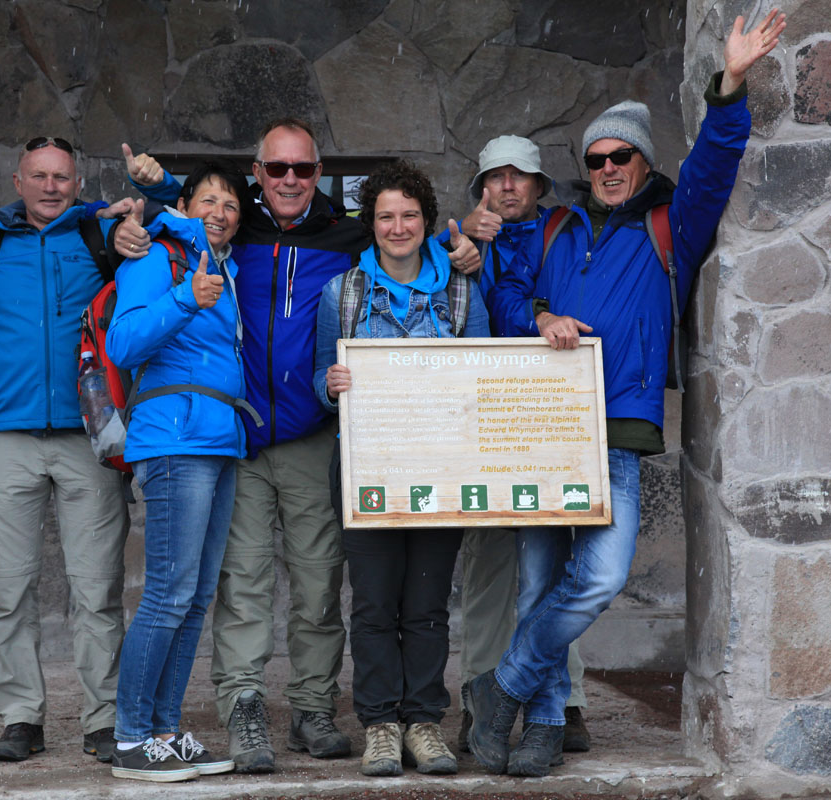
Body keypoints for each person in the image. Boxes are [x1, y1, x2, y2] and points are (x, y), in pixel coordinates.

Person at [467, 7, 787, 778]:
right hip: (544, 428)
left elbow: (715, 161)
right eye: (598, 158)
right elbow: (505, 296)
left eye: (622, 157)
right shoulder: (553, 230)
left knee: (601, 576)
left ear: (643, 164)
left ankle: (500, 686)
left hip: (615, 429)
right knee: (542, 580)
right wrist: (537, 314)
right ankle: (541, 723)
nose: (608, 166)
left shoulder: (671, 224)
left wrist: (731, 85)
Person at [120, 123, 481, 773]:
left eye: (303, 168)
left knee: (320, 585)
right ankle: (245, 706)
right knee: (242, 587)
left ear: (318, 173)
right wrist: (131, 207)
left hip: (316, 436)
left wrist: (468, 251)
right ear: (257, 172)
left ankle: (313, 707)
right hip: (239, 443)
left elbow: (414, 253)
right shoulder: (231, 233)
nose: (290, 179)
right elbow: (183, 214)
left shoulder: (348, 236)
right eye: (276, 168)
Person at [0, 136, 133, 764]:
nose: (51, 187)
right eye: (39, 176)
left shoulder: (98, 239)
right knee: (10, 589)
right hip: (9, 436)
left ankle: (102, 719)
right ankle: (19, 717)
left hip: (90, 437)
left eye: (62, 177)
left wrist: (125, 211)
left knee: (97, 589)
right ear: (19, 181)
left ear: (77, 184)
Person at [313, 159, 491, 777]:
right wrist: (329, 383)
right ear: (371, 224)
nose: (397, 226)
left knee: (427, 604)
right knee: (372, 603)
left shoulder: (463, 290)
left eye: (408, 215)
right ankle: (381, 725)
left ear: (427, 220)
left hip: (441, 465)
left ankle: (423, 722)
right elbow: (318, 375)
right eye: (385, 215)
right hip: (367, 466)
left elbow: (482, 378)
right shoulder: (344, 292)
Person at [106, 161, 253, 782]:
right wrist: (184, 298)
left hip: (218, 440)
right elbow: (124, 343)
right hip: (175, 440)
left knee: (193, 599)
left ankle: (164, 732)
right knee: (168, 594)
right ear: (186, 205)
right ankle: (132, 737)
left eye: (230, 205)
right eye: (208, 201)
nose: (220, 212)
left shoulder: (225, 271)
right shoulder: (154, 259)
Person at [451, 135, 591, 754]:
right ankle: (479, 694)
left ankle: (565, 699)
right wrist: (469, 249)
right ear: (481, 184)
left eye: (520, 177)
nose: (508, 187)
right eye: (496, 176)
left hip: (549, 416)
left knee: (557, 562)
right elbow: (451, 320)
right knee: (487, 564)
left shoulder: (567, 234)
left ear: (538, 185)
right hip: (480, 422)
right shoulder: (450, 241)